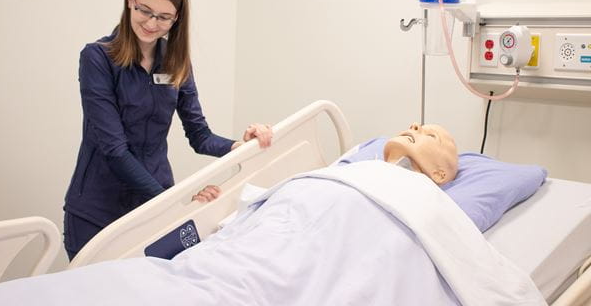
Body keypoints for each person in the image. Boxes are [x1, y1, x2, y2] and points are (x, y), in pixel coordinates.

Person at [63, 0, 273, 260]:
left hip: (158, 208)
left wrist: (243, 146)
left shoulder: (176, 63)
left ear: (177, 18)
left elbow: (200, 136)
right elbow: (114, 149)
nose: (151, 24)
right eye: (144, 10)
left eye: (163, 17)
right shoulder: (98, 58)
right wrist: (176, 201)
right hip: (100, 209)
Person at [193, 122, 458, 202]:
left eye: (430, 134)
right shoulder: (350, 173)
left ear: (438, 174)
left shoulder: (425, 203)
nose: (413, 126)